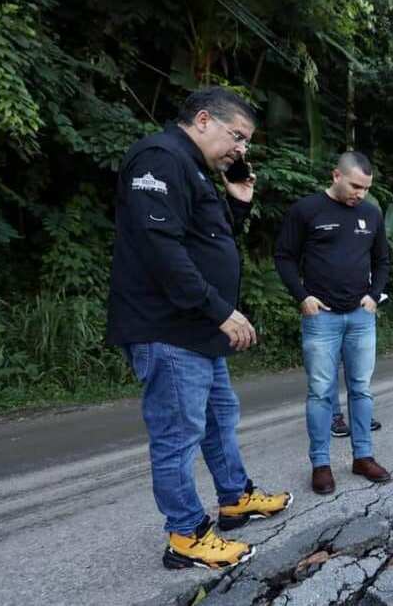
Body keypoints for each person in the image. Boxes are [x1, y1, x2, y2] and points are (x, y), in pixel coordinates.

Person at [106, 87, 291, 571]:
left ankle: (234, 497)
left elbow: (205, 240)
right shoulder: (159, 158)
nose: (241, 150)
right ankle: (186, 533)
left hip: (196, 329)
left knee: (218, 420)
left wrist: (239, 202)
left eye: (247, 143)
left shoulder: (191, 168)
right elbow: (162, 250)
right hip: (168, 329)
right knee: (178, 435)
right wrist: (219, 310)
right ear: (204, 119)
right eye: (238, 136)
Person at [274, 151, 393, 494]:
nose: (361, 194)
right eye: (356, 185)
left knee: (361, 389)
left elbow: (382, 260)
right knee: (321, 393)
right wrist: (301, 296)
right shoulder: (307, 210)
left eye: (367, 188)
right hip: (321, 318)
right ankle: (321, 464)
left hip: (360, 316)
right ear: (336, 176)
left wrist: (374, 295)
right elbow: (283, 256)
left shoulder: (371, 214)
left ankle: (363, 456)